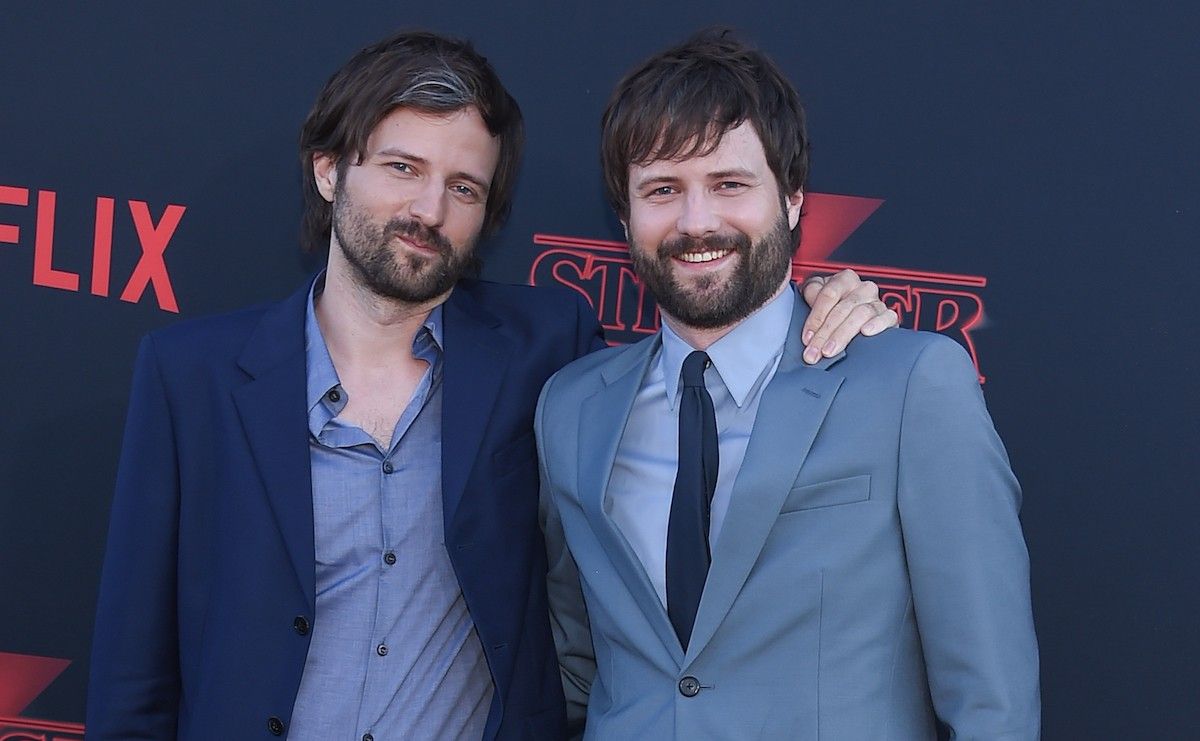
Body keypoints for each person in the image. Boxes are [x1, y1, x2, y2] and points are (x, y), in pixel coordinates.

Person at [85, 30, 892, 740]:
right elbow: (133, 672)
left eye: (463, 188)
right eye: (403, 168)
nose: (429, 208)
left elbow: (708, 344)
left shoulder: (550, 350)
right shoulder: (190, 375)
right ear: (330, 170)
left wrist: (826, 301)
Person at [537, 30, 1040, 740]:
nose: (696, 220)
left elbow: (993, 702)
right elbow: (577, 665)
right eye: (662, 190)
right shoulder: (569, 409)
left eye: (729, 184)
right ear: (624, 216)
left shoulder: (910, 385)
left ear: (795, 198)